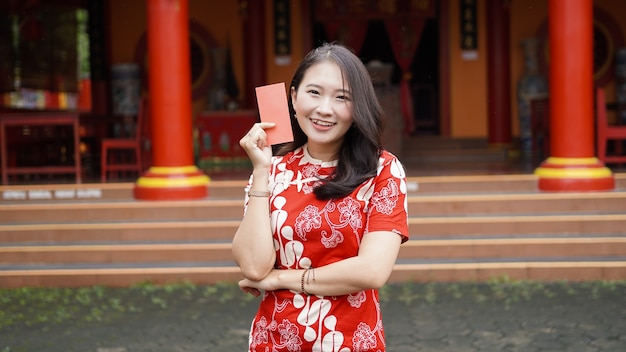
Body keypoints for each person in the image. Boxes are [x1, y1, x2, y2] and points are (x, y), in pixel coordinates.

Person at [232, 42, 409, 352]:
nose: (325, 109)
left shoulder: (382, 170)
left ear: (358, 109)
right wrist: (261, 171)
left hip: (350, 341)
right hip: (274, 340)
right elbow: (253, 267)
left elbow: (372, 270)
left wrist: (280, 280)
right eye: (314, 92)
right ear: (293, 97)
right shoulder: (273, 171)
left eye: (342, 97)